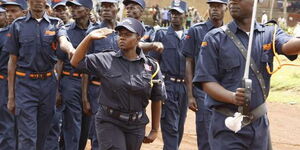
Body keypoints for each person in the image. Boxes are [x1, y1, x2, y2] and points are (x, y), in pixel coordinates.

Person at [193, 0, 300, 149]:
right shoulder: (214, 38)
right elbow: (206, 82)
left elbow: (288, 47)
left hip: (259, 125)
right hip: (227, 126)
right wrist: (232, 97)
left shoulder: (269, 33)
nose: (233, 2)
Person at [70, 17, 166, 150]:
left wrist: (155, 129)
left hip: (136, 124)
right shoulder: (106, 59)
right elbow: (76, 62)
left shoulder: (151, 66)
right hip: (110, 121)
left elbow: (157, 98)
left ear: (138, 38)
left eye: (127, 35)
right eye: (120, 35)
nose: (122, 38)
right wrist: (89, 38)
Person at [4, 0, 75, 149]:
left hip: (48, 85)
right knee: (27, 136)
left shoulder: (56, 24)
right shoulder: (17, 25)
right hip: (25, 85)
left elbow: (63, 41)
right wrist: (11, 96)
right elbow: (12, 61)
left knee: (43, 134)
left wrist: (70, 49)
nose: (38, 2)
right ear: (29, 2)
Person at [182, 0, 227, 149]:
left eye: (218, 6)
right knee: (205, 135)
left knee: (225, 134)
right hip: (203, 92)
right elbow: (189, 63)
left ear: (225, 8)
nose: (214, 9)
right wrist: (190, 95)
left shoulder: (230, 32)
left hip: (226, 91)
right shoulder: (196, 30)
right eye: (212, 6)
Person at [149, 1, 187, 150]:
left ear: (185, 15)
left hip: (184, 87)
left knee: (179, 126)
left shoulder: (190, 36)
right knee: (171, 127)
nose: (175, 16)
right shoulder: (161, 34)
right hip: (168, 85)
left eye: (178, 13)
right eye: (173, 13)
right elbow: (153, 61)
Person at [0, 1, 27, 149]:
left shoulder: (32, 32)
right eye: (7, 11)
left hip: (28, 84)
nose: (9, 15)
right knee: (7, 127)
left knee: (25, 128)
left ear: (24, 12)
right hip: (4, 84)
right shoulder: (2, 35)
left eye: (14, 11)